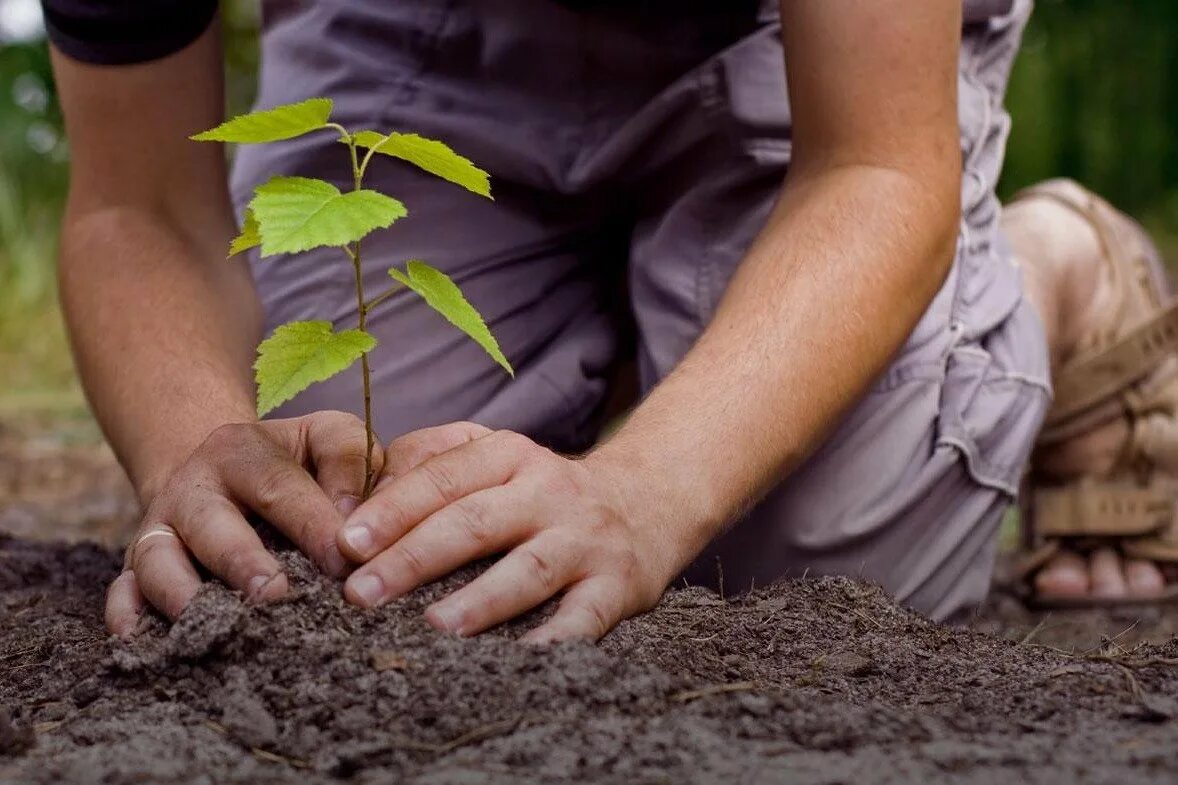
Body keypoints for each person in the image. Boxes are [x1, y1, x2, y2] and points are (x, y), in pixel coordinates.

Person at [41, 0, 1178, 642]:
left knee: (803, 568)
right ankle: (663, 338)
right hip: (415, 28)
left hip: (804, 42)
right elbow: (138, 204)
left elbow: (874, 164)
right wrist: (198, 446)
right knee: (351, 518)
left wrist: (648, 493)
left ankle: (1055, 270)